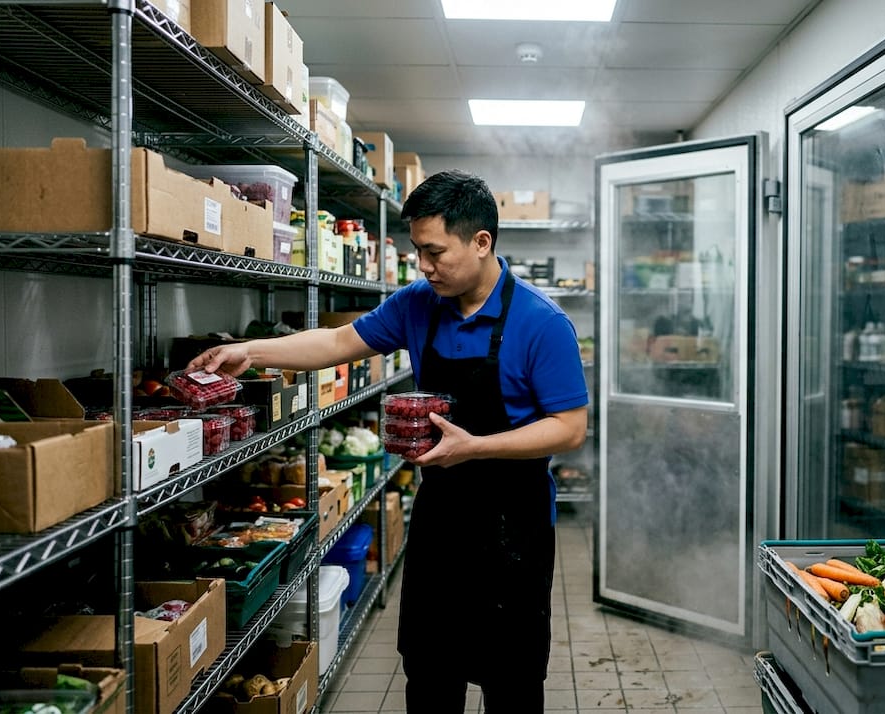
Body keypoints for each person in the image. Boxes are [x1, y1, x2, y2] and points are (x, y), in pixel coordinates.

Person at [187, 169, 589, 713]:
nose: (423, 265)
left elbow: (569, 427)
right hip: (441, 516)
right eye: (417, 251)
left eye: (434, 251)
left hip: (512, 529)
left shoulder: (542, 323)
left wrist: (475, 446)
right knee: (429, 675)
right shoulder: (417, 304)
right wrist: (252, 352)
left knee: (511, 683)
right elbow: (336, 340)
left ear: (481, 242)